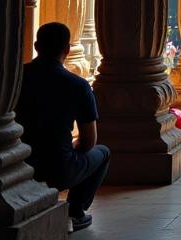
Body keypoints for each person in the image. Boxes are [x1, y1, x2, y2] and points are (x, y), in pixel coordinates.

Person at [15, 22, 110, 233]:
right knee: (103, 152)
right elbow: (88, 142)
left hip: (18, 166)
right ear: (67, 49)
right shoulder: (78, 85)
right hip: (57, 169)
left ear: (37, 46)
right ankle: (75, 211)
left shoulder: (16, 80)